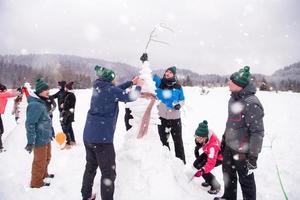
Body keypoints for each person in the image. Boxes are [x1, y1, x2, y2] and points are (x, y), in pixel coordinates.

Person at [81, 65, 144, 200]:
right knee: (108, 173)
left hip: (89, 136)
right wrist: (138, 86)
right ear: (110, 80)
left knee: (90, 167)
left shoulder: (99, 87)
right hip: (102, 140)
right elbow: (131, 97)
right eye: (114, 79)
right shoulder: (110, 90)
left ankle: (85, 196)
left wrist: (130, 82)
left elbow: (115, 90)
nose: (116, 80)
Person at [214, 66, 264, 200]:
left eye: (231, 81)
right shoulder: (233, 99)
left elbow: (257, 132)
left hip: (243, 150)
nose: (228, 83)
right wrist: (224, 140)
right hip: (230, 146)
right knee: (228, 173)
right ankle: (228, 197)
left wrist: (253, 157)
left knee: (246, 180)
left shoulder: (251, 103)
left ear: (239, 85)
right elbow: (231, 123)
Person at [141, 54, 186, 164]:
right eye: (167, 72)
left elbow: (183, 99)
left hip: (175, 117)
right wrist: (144, 62)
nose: (167, 73)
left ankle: (180, 162)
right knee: (163, 140)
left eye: (170, 72)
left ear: (174, 75)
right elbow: (147, 76)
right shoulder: (159, 83)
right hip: (162, 117)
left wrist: (179, 105)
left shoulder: (178, 87)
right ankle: (167, 162)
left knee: (178, 141)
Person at [25, 79, 54, 188]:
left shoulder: (41, 102)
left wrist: (50, 133)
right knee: (39, 161)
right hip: (39, 139)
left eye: (48, 89)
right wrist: (30, 141)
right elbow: (30, 124)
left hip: (46, 136)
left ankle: (44, 174)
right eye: (46, 90)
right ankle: (36, 182)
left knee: (47, 157)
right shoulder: (35, 105)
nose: (48, 92)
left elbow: (44, 120)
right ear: (40, 91)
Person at [192, 120, 223, 195]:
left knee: (203, 169)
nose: (197, 140)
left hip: (218, 158)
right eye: (196, 137)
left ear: (205, 137)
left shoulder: (213, 147)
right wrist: (198, 146)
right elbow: (202, 140)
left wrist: (202, 171)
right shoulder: (206, 133)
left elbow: (211, 163)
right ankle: (208, 180)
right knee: (196, 164)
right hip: (208, 153)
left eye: (199, 138)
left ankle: (216, 186)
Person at [0, 83, 19, 152]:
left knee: (2, 130)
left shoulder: (3, 94)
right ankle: (0, 148)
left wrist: (17, 90)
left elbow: (10, 92)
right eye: (4, 90)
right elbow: (10, 94)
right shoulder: (1, 94)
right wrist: (19, 92)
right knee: (0, 131)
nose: (5, 91)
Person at [61, 81, 76, 148]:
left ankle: (68, 142)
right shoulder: (67, 94)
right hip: (67, 113)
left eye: (66, 87)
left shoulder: (71, 95)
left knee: (65, 129)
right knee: (69, 128)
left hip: (68, 114)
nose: (65, 88)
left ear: (68, 88)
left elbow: (71, 106)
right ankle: (72, 140)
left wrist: (67, 113)